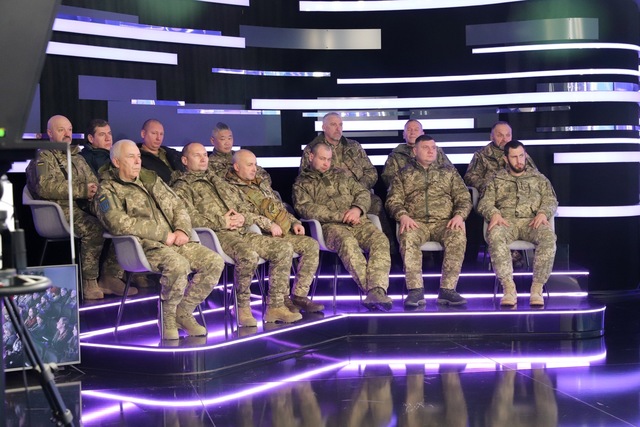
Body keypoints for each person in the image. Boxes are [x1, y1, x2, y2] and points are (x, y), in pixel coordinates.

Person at [95, 139, 224, 339]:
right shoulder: (107, 189)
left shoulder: (150, 179)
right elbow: (116, 223)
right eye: (131, 157)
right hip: (144, 246)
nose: (137, 161)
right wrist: (163, 235)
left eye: (139, 156)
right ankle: (167, 317)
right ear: (116, 162)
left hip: (175, 240)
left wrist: (182, 230)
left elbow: (178, 205)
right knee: (178, 265)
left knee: (214, 261)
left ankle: (183, 312)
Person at [171, 142, 304, 326]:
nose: (203, 159)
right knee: (248, 255)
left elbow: (244, 206)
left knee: (283, 248)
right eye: (197, 155)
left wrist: (243, 217)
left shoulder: (219, 181)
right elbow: (187, 218)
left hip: (241, 231)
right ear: (185, 160)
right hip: (216, 235)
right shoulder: (181, 187)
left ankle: (275, 306)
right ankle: (242, 307)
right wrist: (222, 221)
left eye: (205, 155)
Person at [25, 115, 132, 300]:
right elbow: (44, 186)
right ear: (50, 133)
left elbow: (93, 181)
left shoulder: (77, 157)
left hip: (84, 205)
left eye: (69, 130)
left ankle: (110, 276)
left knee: (119, 220)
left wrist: (96, 191)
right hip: (58, 211)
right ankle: (89, 282)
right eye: (61, 130)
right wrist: (82, 190)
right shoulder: (43, 157)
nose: (67, 134)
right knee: (95, 228)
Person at [293, 141, 393, 311]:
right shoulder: (301, 184)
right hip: (331, 227)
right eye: (322, 159)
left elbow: (363, 192)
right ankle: (374, 292)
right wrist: (340, 216)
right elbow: (305, 208)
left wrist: (357, 209)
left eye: (329, 159)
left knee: (380, 240)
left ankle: (377, 291)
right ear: (311, 157)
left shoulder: (342, 176)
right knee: (347, 242)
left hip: (357, 221)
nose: (326, 163)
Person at [225, 149, 322, 313]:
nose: (254, 169)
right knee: (283, 248)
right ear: (236, 167)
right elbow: (242, 215)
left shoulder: (261, 183)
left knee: (311, 245)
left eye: (255, 164)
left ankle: (299, 296)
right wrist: (268, 224)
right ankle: (282, 299)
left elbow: (278, 207)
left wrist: (294, 222)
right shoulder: (229, 188)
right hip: (258, 233)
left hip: (280, 229)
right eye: (249, 165)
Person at [386, 135, 472, 307]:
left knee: (457, 235)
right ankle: (415, 290)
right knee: (408, 236)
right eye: (426, 148)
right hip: (415, 223)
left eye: (433, 147)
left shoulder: (449, 172)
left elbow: (464, 198)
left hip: (444, 222)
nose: (431, 151)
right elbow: (392, 200)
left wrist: (459, 216)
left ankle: (448, 290)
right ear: (415, 150)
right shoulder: (403, 174)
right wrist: (403, 216)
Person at [477, 140, 558, 307]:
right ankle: (508, 288)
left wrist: (543, 213)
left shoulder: (538, 178)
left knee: (548, 238)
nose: (519, 160)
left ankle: (537, 288)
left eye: (521, 156)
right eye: (514, 157)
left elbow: (551, 200)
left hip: (532, 222)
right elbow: (484, 203)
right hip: (506, 222)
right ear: (506, 159)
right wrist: (494, 214)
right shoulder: (496, 179)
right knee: (496, 235)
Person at [299, 112, 395, 251]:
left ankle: (389, 250)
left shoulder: (354, 146)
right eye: (333, 125)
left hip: (357, 193)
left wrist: (357, 188)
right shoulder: (313, 149)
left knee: (375, 202)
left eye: (340, 125)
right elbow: (306, 178)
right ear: (324, 127)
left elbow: (371, 172)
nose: (338, 128)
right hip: (329, 199)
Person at [463, 121, 537, 192]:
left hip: (519, 192)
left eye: (508, 135)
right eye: (500, 135)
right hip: (492, 194)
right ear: (492, 137)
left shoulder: (519, 153)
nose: (505, 139)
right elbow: (469, 179)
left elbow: (535, 174)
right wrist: (493, 185)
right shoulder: (481, 155)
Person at [381, 119, 452, 189]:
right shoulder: (395, 155)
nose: (412, 132)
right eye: (409, 130)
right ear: (403, 135)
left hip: (436, 191)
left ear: (422, 134)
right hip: (408, 193)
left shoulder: (436, 151)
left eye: (416, 130)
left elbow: (451, 173)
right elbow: (389, 179)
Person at [207, 122, 272, 183]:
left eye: (229, 138)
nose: (227, 143)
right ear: (212, 141)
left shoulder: (241, 156)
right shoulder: (208, 163)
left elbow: (265, 176)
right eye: (223, 139)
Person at [138, 119, 184, 184]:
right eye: (154, 133)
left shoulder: (171, 153)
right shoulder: (137, 158)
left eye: (161, 134)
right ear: (143, 134)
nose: (158, 138)